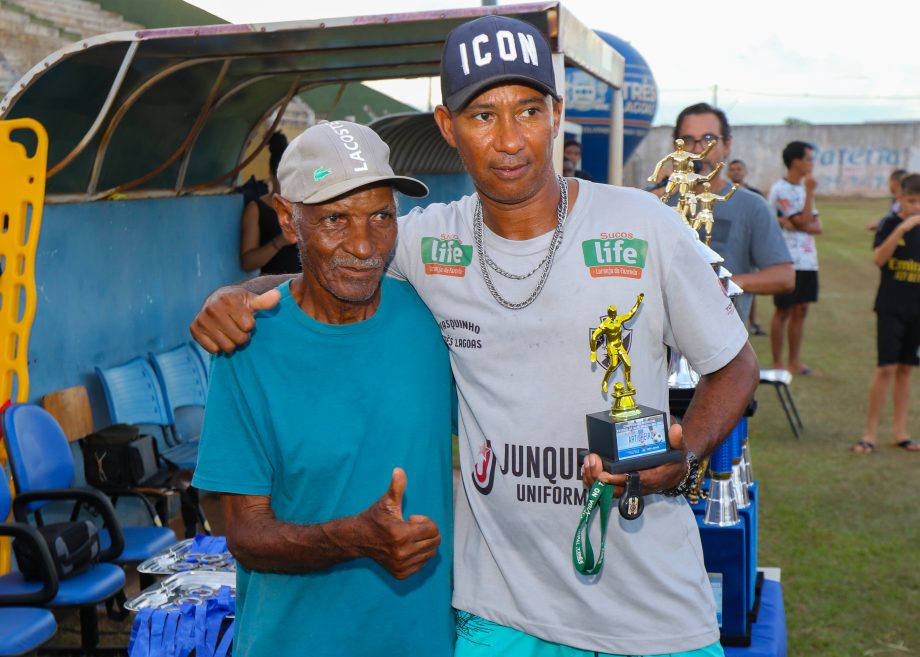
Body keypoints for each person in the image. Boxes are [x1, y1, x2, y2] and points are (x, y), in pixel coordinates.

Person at [191, 15, 760, 656]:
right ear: (447, 127)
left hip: (651, 611)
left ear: (556, 113)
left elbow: (733, 365)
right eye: (483, 116)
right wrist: (231, 296)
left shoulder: (641, 224)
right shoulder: (425, 239)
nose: (511, 140)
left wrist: (684, 456)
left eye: (527, 111)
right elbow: (337, 256)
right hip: (500, 615)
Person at [191, 121, 455, 657]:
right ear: (288, 220)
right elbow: (243, 534)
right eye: (335, 218)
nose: (363, 245)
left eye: (381, 216)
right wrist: (357, 537)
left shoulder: (434, 322)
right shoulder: (249, 346)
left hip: (420, 642)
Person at [671, 103, 794, 326]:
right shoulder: (656, 201)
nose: (699, 150)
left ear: (727, 145)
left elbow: (784, 277)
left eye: (708, 139)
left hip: (723, 345)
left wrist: (726, 282)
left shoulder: (752, 206)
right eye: (689, 140)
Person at [853, 173, 920, 454]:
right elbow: (880, 259)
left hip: (917, 310)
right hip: (891, 307)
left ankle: (900, 432)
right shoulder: (890, 224)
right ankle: (869, 434)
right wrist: (903, 228)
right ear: (900, 199)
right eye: (912, 201)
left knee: (906, 370)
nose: (916, 207)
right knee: (886, 368)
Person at [768, 141, 823, 374]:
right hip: (787, 259)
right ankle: (778, 362)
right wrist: (809, 194)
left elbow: (816, 226)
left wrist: (801, 221)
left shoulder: (801, 189)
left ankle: (795, 361)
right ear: (796, 161)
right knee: (784, 311)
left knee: (801, 310)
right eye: (809, 158)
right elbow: (803, 222)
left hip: (808, 260)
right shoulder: (781, 189)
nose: (812, 163)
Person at [238, 131, 301, 274]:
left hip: (306, 288)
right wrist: (281, 241)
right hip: (274, 289)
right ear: (271, 174)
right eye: (283, 179)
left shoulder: (306, 205)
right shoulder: (256, 208)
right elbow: (247, 263)